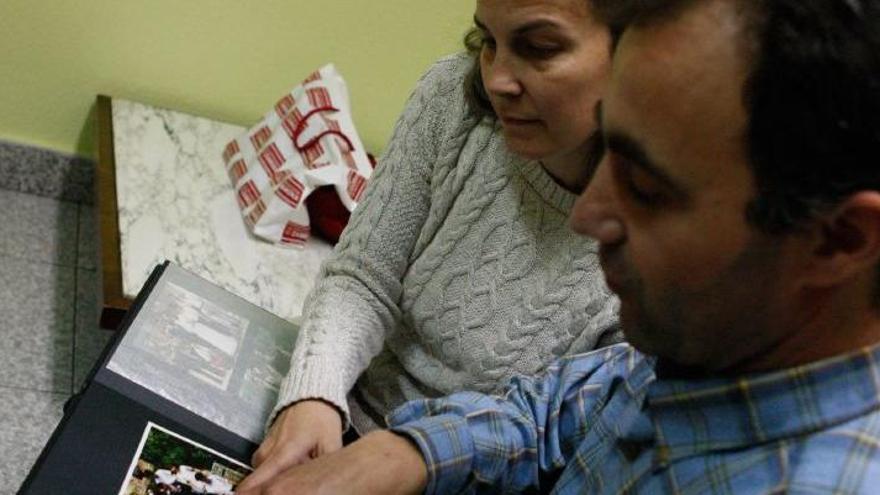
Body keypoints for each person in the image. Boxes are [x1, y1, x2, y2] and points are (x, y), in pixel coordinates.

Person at [237, 0, 880, 493]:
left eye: (647, 188)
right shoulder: (709, 342)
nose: (588, 214)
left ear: (840, 240)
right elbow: (559, 411)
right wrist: (405, 452)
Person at [240, 0, 621, 490]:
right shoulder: (451, 98)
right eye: (489, 42)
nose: (497, 79)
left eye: (539, 47)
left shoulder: (659, 240)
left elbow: (556, 435)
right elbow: (361, 276)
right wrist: (313, 395)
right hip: (345, 405)